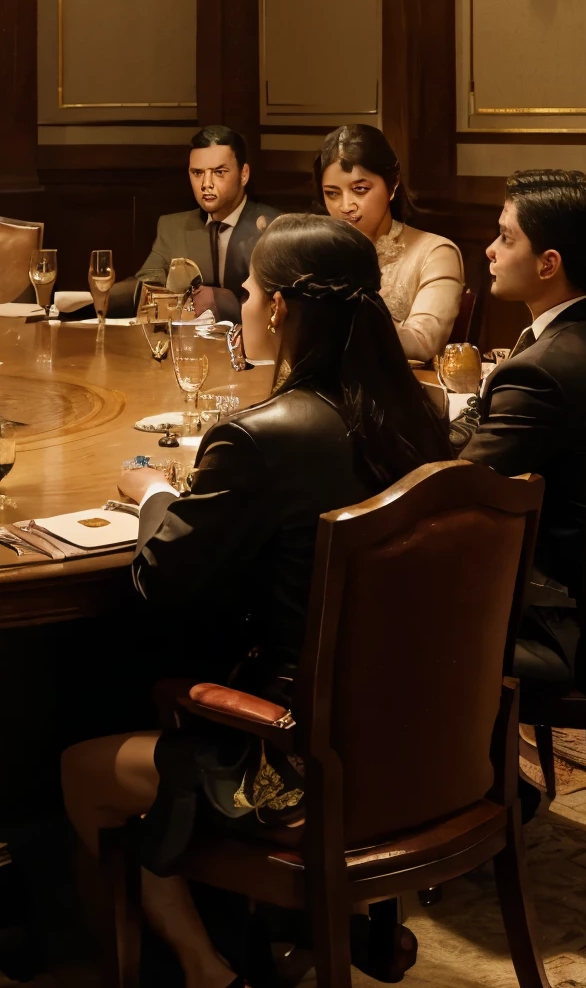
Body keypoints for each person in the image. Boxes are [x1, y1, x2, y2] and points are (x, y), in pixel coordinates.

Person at [61, 213, 450, 988]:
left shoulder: (263, 437)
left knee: (80, 768)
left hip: (295, 763)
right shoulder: (422, 418)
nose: (240, 301)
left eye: (248, 290)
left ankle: (205, 968)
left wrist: (157, 492)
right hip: (422, 744)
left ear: (278, 309)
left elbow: (160, 582)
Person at [453, 169, 586, 686]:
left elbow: (456, 489)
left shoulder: (543, 371)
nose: (490, 250)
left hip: (547, 618)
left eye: (506, 237)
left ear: (549, 264)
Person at [315, 124, 464, 362]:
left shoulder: (435, 252)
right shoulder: (316, 253)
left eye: (360, 189)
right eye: (332, 193)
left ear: (392, 185)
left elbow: (423, 344)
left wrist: (359, 307)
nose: (346, 206)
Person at [100, 126, 279, 320]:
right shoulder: (173, 228)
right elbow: (147, 284)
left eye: (219, 172)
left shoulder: (273, 228)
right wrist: (107, 293)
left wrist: (223, 302)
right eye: (197, 173)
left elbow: (281, 308)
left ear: (243, 174)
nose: (206, 184)